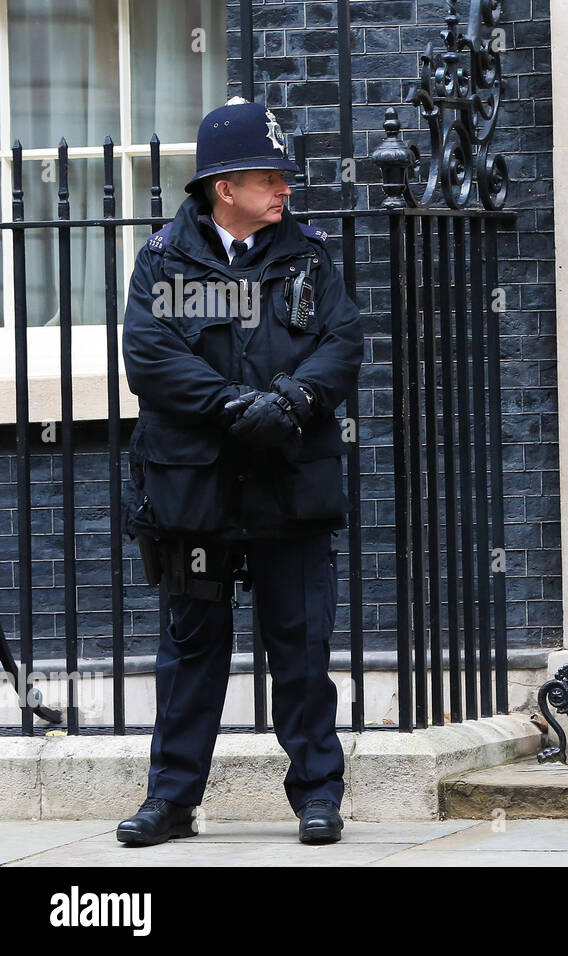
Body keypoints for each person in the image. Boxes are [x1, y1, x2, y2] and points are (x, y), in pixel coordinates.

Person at [116, 97, 362, 842]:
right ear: (225, 187)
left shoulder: (308, 253)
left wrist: (288, 401)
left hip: (290, 481)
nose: (284, 189)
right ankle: (172, 800)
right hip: (196, 490)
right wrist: (231, 406)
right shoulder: (165, 258)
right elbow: (149, 357)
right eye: (269, 178)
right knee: (191, 649)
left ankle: (318, 796)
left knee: (301, 646)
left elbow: (342, 343)